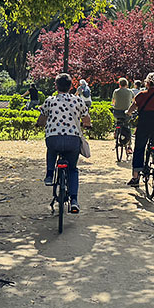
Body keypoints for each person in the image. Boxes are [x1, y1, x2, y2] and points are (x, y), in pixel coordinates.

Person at [37, 73, 91, 214]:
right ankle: (74, 200)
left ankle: (49, 175)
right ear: (71, 86)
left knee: (51, 150)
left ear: (56, 86)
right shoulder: (78, 101)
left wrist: (39, 124)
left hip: (53, 138)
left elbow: (42, 119)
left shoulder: (49, 101)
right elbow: (87, 119)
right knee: (72, 169)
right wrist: (87, 125)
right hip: (73, 139)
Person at [126, 72, 154, 187]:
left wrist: (128, 113)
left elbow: (133, 106)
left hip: (144, 125)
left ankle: (135, 177)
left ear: (147, 83)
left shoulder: (141, 95)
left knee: (139, 149)